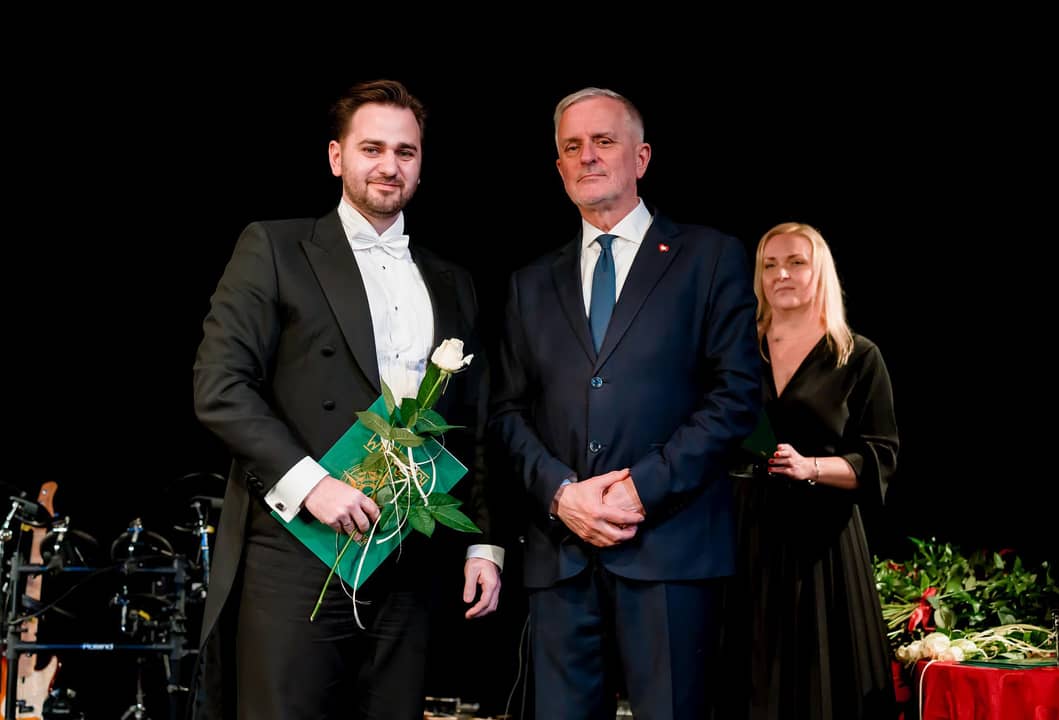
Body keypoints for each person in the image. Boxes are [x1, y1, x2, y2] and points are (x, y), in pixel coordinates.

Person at [190, 79, 503, 720]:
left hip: (409, 552)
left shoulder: (453, 280)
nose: (389, 166)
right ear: (337, 157)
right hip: (298, 543)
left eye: (406, 152)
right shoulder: (275, 247)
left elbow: (473, 419)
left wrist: (483, 543)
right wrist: (313, 486)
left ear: (421, 163)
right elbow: (220, 386)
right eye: (372, 148)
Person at [488, 87, 761, 719]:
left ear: (641, 157)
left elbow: (737, 397)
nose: (587, 156)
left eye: (603, 141)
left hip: (671, 550)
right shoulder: (530, 283)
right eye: (572, 147)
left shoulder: (709, 257)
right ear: (559, 167)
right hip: (561, 557)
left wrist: (642, 489)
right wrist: (561, 494)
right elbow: (505, 413)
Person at [728, 221, 898, 719]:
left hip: (822, 544)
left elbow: (880, 456)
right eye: (769, 265)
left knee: (821, 685)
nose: (781, 274)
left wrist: (811, 468)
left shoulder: (857, 356)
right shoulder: (738, 351)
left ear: (819, 271)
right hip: (744, 535)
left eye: (795, 262)